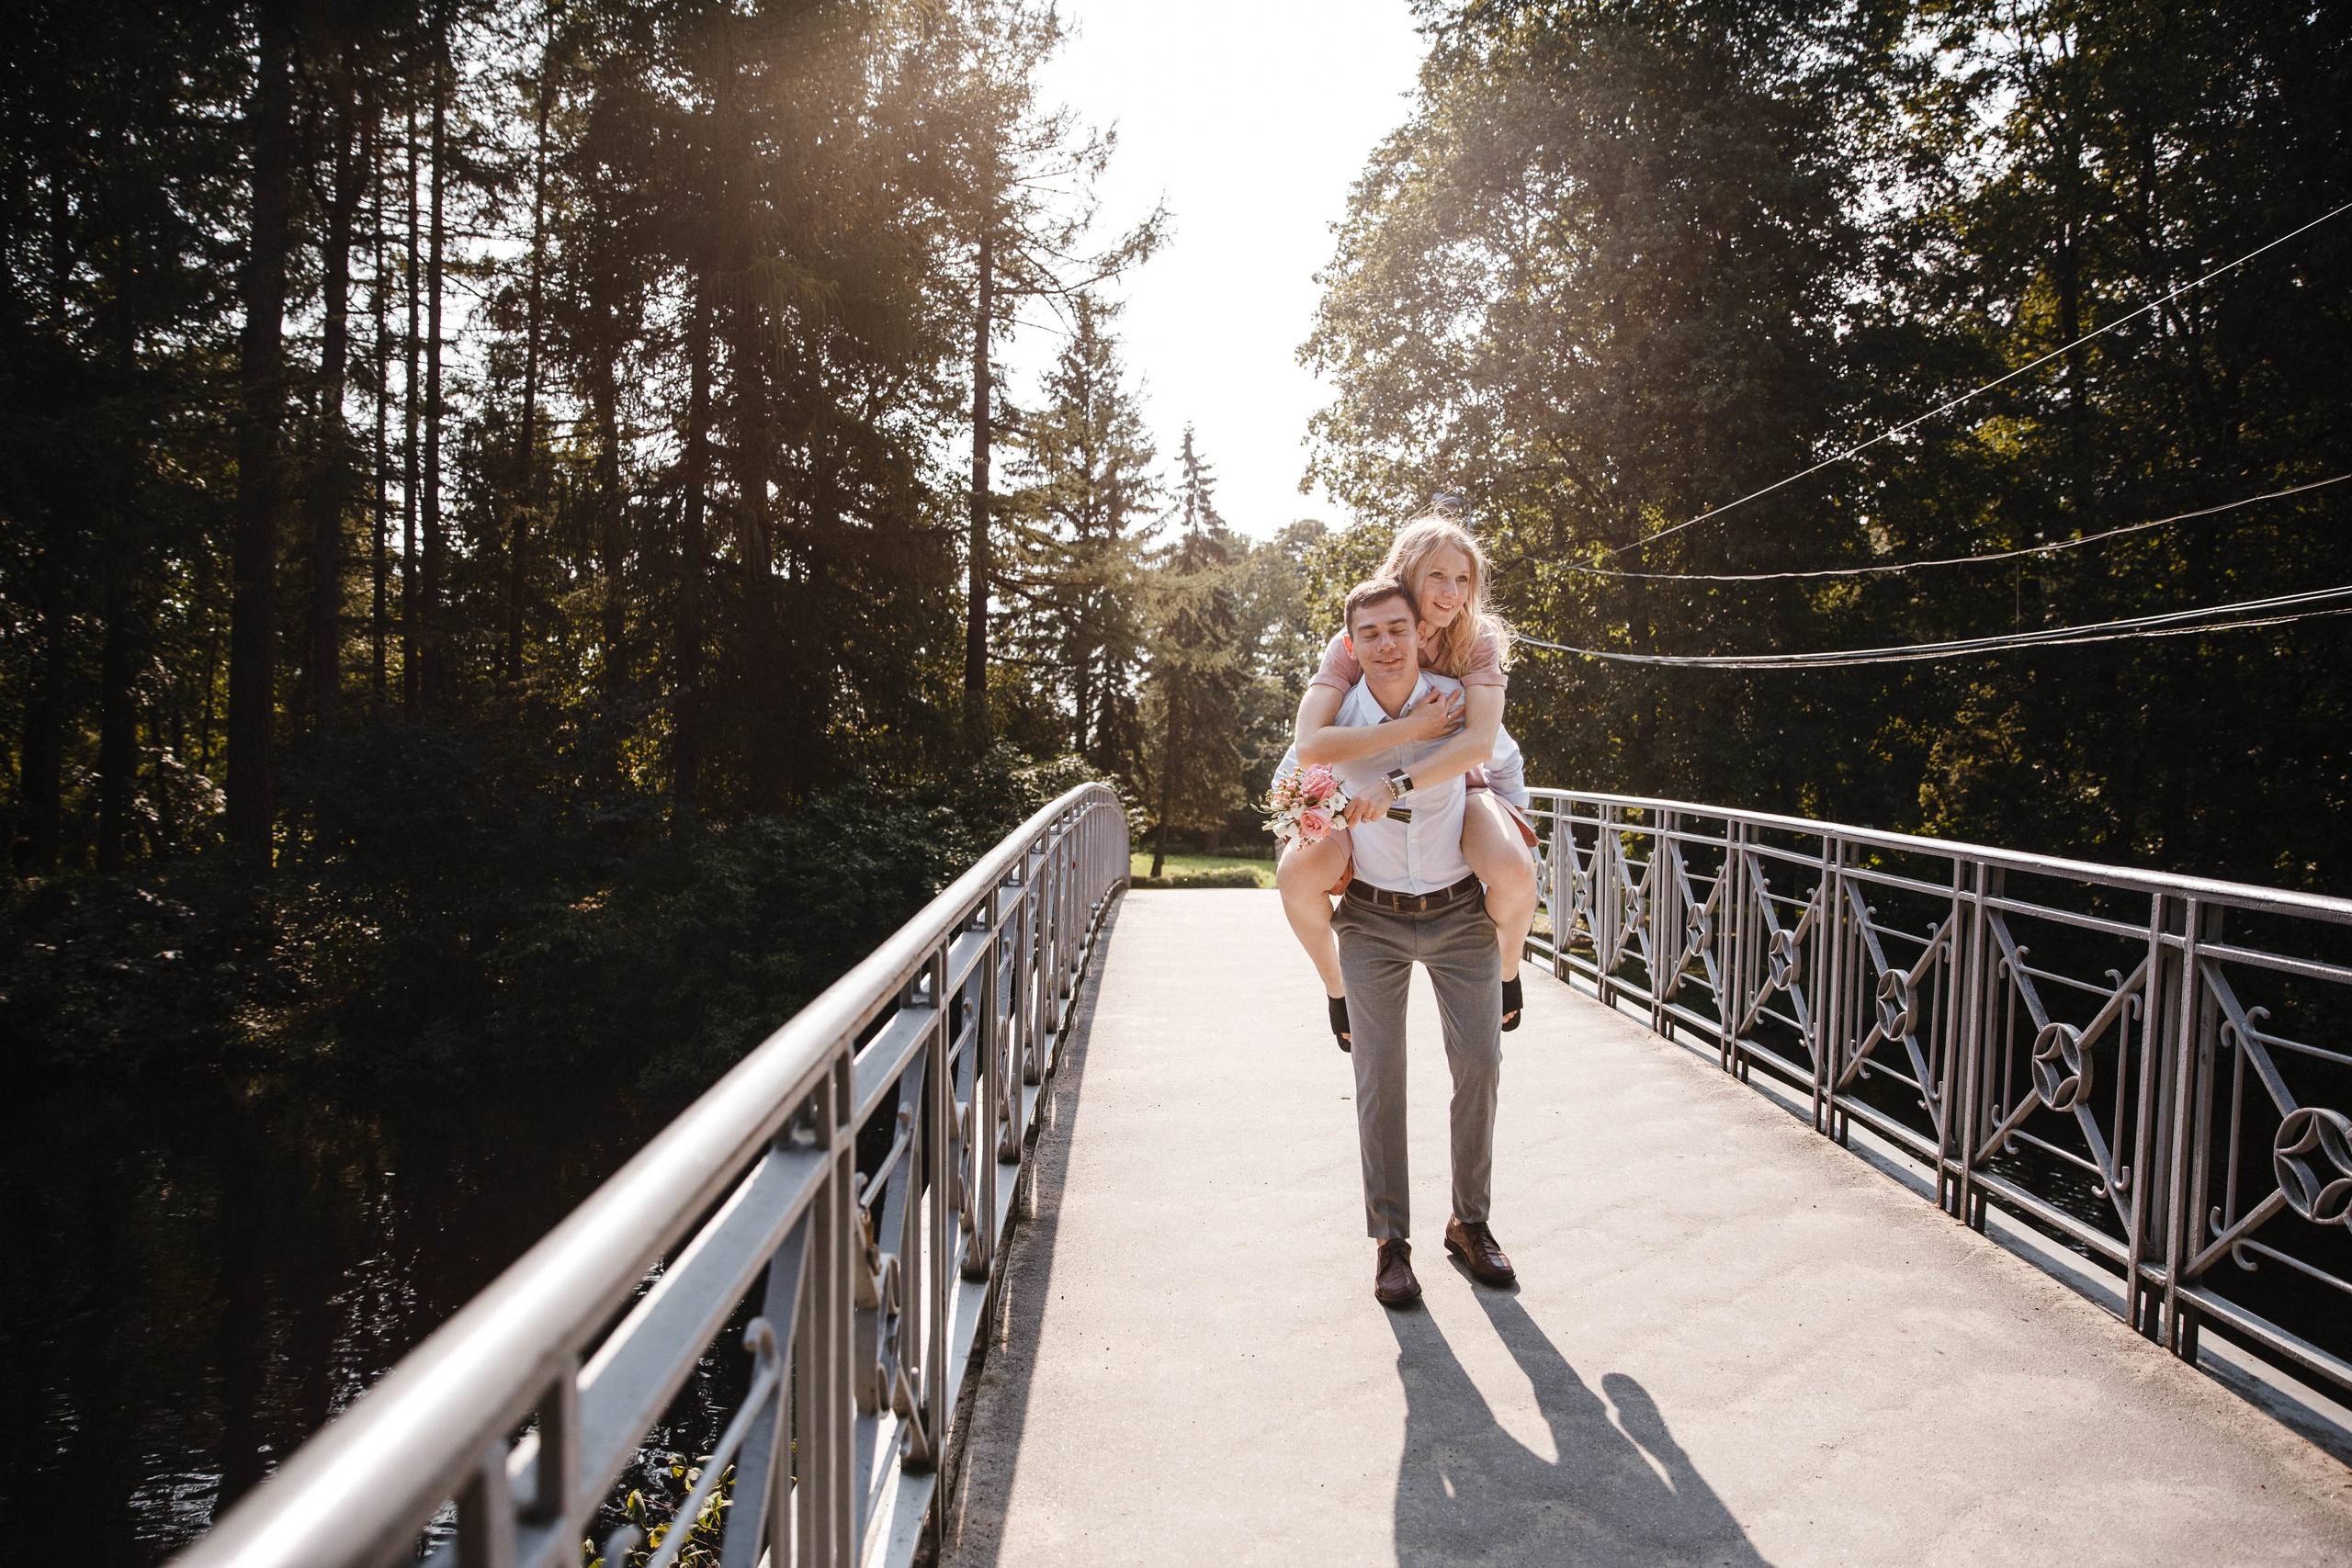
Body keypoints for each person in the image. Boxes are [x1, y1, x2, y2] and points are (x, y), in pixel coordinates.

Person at [1321, 575, 1518, 1307]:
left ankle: (1470, 1222)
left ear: (1420, 631)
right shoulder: (1338, 718)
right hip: (1370, 917)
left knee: (1480, 1060)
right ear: (1352, 643)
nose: (1387, 643)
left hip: (1458, 911)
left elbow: (1495, 754)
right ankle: (1391, 1243)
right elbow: (1295, 776)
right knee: (1381, 1076)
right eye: (1369, 633)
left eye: (1398, 628)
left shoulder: (1455, 703)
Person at [1277, 509, 1537, 1049]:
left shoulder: (1476, 639)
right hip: (1362, 791)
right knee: (1296, 875)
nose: (1451, 591)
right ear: (1409, 574)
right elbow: (1310, 741)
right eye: (1438, 576)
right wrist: (1409, 731)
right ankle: (1337, 987)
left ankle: (1506, 974)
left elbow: (1481, 745)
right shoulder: (1364, 637)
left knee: (1514, 870)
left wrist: (1510, 811)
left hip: (1462, 784)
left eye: (1463, 579)